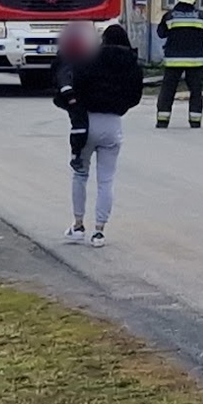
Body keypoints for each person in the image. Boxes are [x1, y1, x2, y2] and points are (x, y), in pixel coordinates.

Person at [65, 23, 144, 247]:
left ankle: (78, 225)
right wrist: (120, 106)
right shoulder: (132, 64)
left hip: (87, 122)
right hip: (113, 123)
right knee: (106, 180)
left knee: (80, 175)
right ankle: (99, 231)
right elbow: (135, 96)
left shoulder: (90, 59)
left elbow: (75, 84)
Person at [155, 0, 203, 128]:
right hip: (195, 61)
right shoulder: (201, 16)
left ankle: (162, 120)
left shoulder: (170, 16)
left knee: (168, 91)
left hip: (173, 60)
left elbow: (161, 33)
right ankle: (195, 121)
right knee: (196, 92)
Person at [52, 22, 101, 171]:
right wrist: (69, 96)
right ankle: (76, 155)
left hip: (76, 95)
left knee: (80, 123)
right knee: (79, 123)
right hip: (71, 96)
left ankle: (77, 154)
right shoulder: (68, 57)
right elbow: (62, 77)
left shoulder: (81, 56)